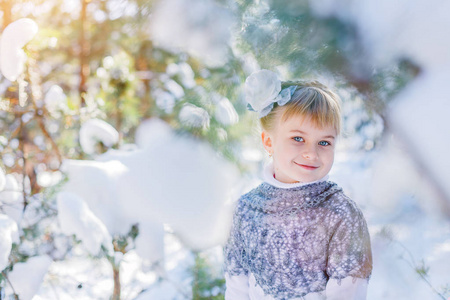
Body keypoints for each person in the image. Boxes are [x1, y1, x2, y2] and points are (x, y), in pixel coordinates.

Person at [223, 70, 372, 300]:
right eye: (298, 138)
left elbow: (348, 293)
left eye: (324, 142)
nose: (311, 153)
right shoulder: (244, 211)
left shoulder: (340, 215)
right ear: (268, 141)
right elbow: (237, 289)